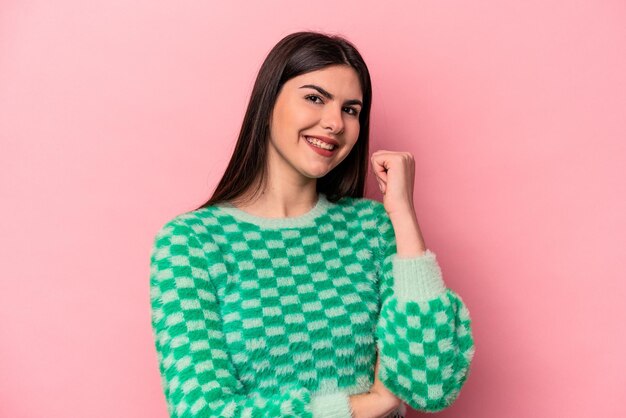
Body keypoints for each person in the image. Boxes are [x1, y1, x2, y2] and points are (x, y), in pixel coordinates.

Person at [149, 31, 475, 418]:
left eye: (351, 110)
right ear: (268, 101)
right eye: (315, 98)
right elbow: (200, 411)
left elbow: (430, 385)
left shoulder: (372, 228)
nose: (335, 123)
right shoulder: (190, 243)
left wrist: (403, 216)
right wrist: (364, 406)